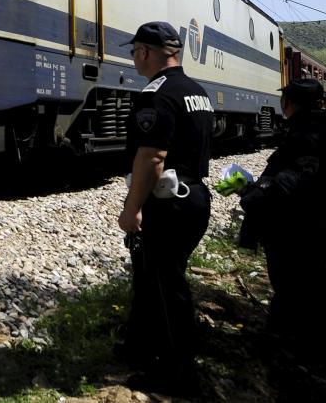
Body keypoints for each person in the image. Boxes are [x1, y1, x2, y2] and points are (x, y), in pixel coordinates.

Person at [116, 21, 213, 396]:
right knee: (154, 278)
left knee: (165, 286)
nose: (134, 58)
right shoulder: (197, 92)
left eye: (134, 51)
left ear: (145, 51)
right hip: (195, 199)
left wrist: (133, 206)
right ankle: (142, 347)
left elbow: (153, 156)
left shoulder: (156, 95)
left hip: (168, 205)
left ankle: (177, 373)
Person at [239, 79, 326, 365]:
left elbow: (291, 183)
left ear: (289, 103)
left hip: (294, 227)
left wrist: (253, 193)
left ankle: (317, 353)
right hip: (310, 222)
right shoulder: (323, 132)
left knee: (301, 285)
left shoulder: (305, 136)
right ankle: (287, 339)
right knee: (299, 286)